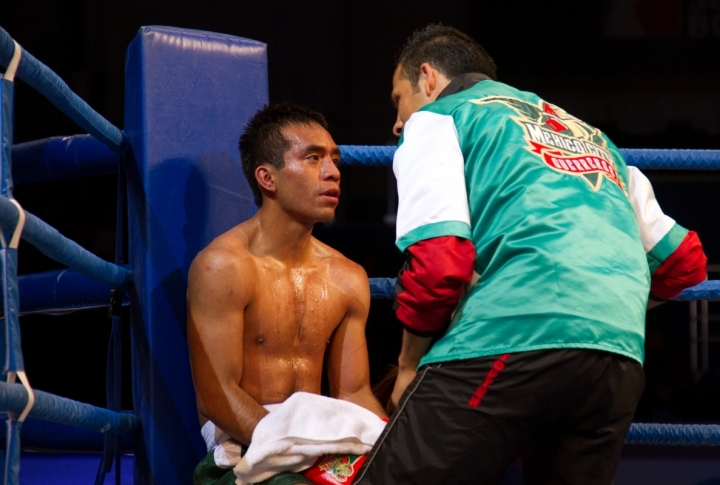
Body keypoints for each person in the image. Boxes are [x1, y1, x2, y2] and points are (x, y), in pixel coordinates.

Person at [355, 25, 707, 485]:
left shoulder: (441, 117)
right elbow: (684, 260)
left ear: (428, 78)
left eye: (398, 100)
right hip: (617, 360)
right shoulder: (591, 135)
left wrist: (406, 367)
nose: (398, 123)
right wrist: (595, 305)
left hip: (511, 335)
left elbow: (440, 263)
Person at [187, 103, 386, 485]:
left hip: (318, 447)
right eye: (313, 158)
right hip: (242, 452)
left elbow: (355, 392)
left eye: (334, 159)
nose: (332, 172)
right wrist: (301, 457)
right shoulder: (223, 267)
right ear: (268, 178)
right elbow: (217, 396)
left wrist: (387, 451)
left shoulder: (347, 277)